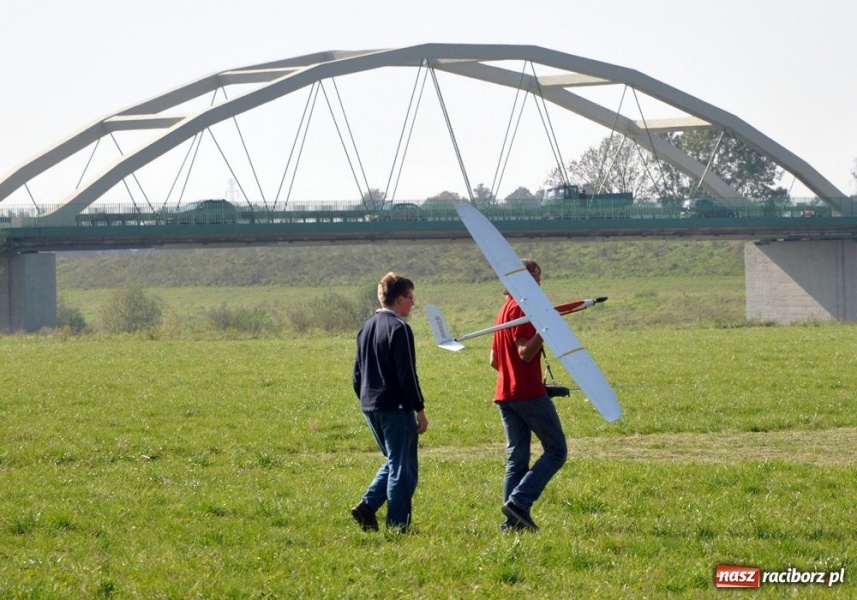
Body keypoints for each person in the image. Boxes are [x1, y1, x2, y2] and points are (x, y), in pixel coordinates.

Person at [489, 258, 568, 531]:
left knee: (517, 458)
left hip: (505, 394)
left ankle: (511, 524)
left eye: (539, 280)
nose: (538, 285)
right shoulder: (524, 307)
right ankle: (519, 503)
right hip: (527, 394)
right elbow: (524, 353)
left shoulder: (503, 311)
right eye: (534, 279)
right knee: (557, 450)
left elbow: (494, 361)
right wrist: (545, 328)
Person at [351, 272, 429, 532]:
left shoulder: (366, 328)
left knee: (395, 460)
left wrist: (367, 400)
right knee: (402, 469)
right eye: (410, 297)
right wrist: (419, 408)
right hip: (395, 407)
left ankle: (367, 507)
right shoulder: (400, 329)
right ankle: (398, 526)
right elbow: (407, 375)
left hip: (370, 405)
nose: (413, 303)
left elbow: (356, 375)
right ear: (398, 299)